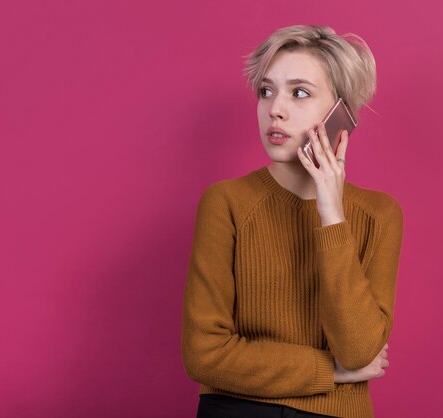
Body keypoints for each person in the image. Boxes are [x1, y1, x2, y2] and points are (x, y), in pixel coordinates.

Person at [180, 25, 403, 418]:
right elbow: (205, 355)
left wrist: (332, 215)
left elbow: (358, 349)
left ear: (341, 114)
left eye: (299, 92)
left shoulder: (378, 215)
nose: (275, 108)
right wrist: (328, 371)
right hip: (238, 410)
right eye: (267, 91)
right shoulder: (227, 204)